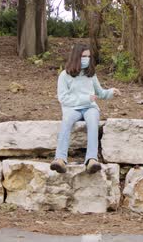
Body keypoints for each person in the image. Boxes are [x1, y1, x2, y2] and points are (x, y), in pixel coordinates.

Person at [50, 43, 120, 174]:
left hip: (90, 108)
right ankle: (60, 159)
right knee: (66, 123)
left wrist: (111, 92)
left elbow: (100, 93)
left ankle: (91, 159)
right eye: (83, 56)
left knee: (93, 122)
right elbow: (63, 98)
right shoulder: (64, 76)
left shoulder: (91, 74)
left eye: (88, 56)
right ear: (76, 57)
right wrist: (86, 99)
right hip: (72, 108)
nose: (86, 59)